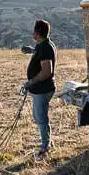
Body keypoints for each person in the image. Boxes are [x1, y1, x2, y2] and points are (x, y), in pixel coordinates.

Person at [23, 19, 57, 155]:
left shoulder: (45, 48)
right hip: (42, 88)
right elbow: (41, 54)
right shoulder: (44, 45)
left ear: (37, 32)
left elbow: (46, 71)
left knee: (41, 118)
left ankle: (45, 147)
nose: (32, 32)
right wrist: (32, 51)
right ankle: (47, 142)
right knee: (40, 116)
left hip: (42, 89)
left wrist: (30, 82)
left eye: (34, 30)